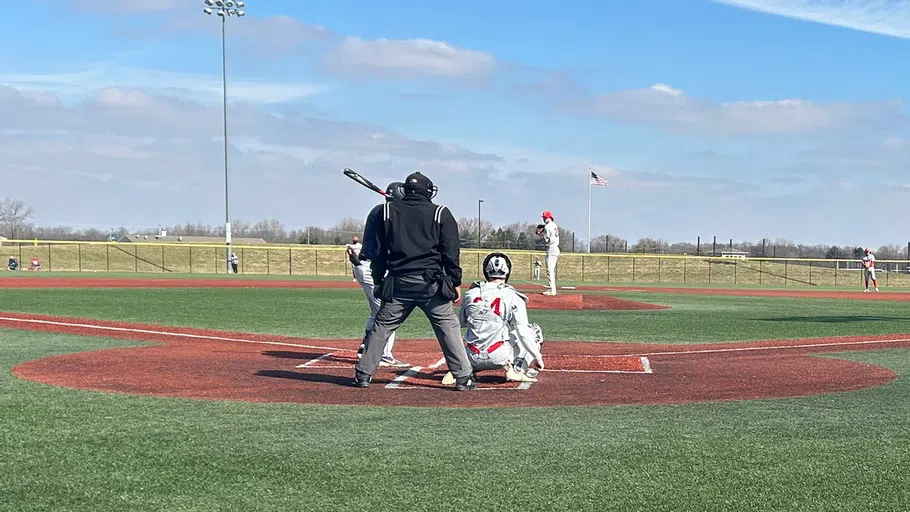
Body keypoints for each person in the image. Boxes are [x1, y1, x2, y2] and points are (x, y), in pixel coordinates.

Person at [353, 171, 476, 391]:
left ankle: (363, 374)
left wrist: (379, 279)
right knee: (448, 328)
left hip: (399, 283)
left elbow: (379, 253)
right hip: (432, 285)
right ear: (428, 192)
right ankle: (463, 377)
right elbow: (451, 254)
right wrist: (455, 281)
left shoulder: (386, 212)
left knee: (382, 326)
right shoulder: (441, 213)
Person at [441, 252, 545, 385]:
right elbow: (522, 332)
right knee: (534, 330)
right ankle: (517, 370)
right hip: (499, 356)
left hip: (471, 355)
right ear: (507, 271)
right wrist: (537, 357)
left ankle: (464, 369)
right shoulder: (512, 296)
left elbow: (460, 323)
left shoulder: (471, 294)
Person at [346, 208, 410, 368]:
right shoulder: (389, 223)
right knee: (388, 313)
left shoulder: (381, 218)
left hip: (365, 268)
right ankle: (384, 355)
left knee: (376, 312)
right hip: (369, 269)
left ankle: (365, 346)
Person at [537, 210, 560, 295]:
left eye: (545, 217)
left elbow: (547, 240)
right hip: (555, 248)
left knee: (549, 270)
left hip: (551, 248)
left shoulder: (547, 227)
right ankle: (552, 289)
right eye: (543, 217)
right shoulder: (554, 225)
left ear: (549, 217)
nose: (544, 219)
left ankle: (552, 290)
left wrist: (540, 235)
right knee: (550, 270)